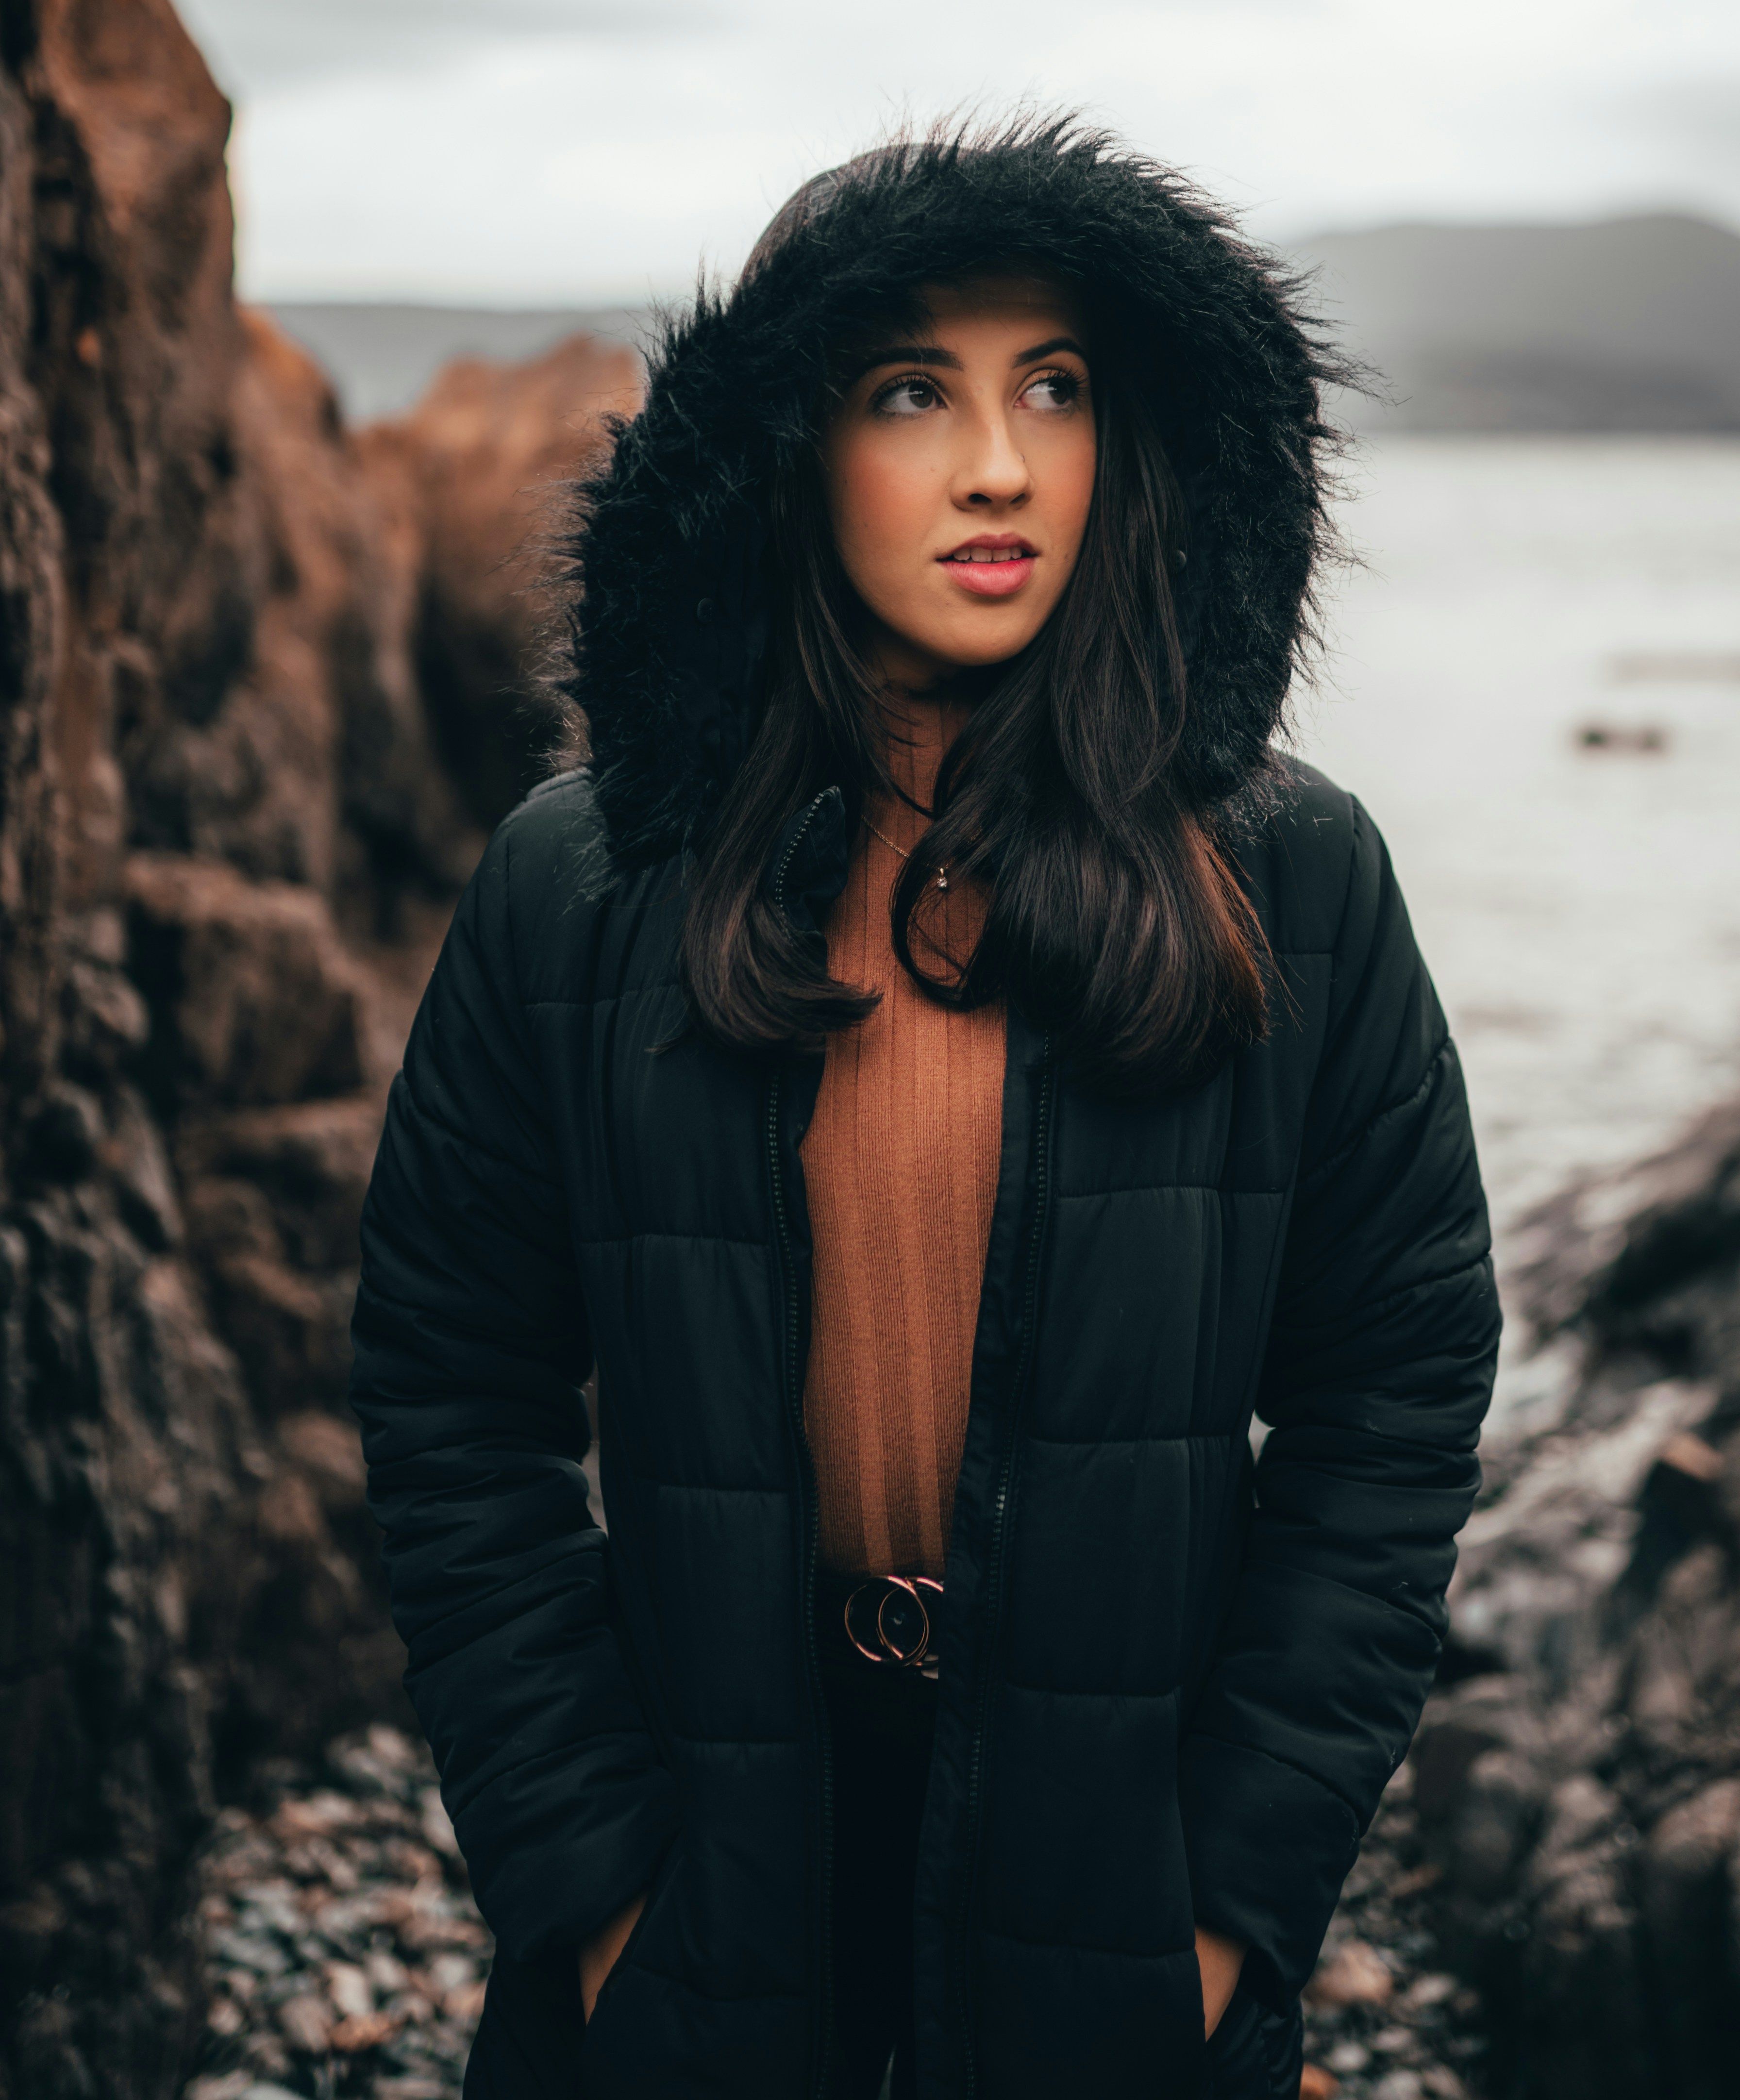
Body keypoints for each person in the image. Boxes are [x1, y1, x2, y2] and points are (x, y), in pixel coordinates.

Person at [351, 119, 1500, 2100]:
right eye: (912, 391)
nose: (996, 463)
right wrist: (589, 1877)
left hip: (1114, 1866)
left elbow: (1391, 1390)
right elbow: (452, 1380)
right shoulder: (584, 881)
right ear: (791, 442)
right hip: (702, 1849)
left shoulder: (1292, 876)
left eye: (1052, 385)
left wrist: (1231, 1893)